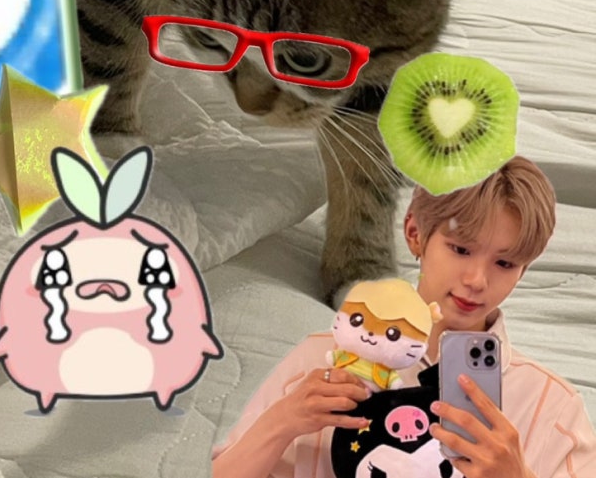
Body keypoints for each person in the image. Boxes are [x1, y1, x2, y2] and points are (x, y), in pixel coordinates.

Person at [211, 156, 596, 478]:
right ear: (415, 232)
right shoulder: (317, 364)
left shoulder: (553, 408)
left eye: (505, 263)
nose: (477, 280)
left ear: (523, 270)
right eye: (461, 249)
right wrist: (281, 423)